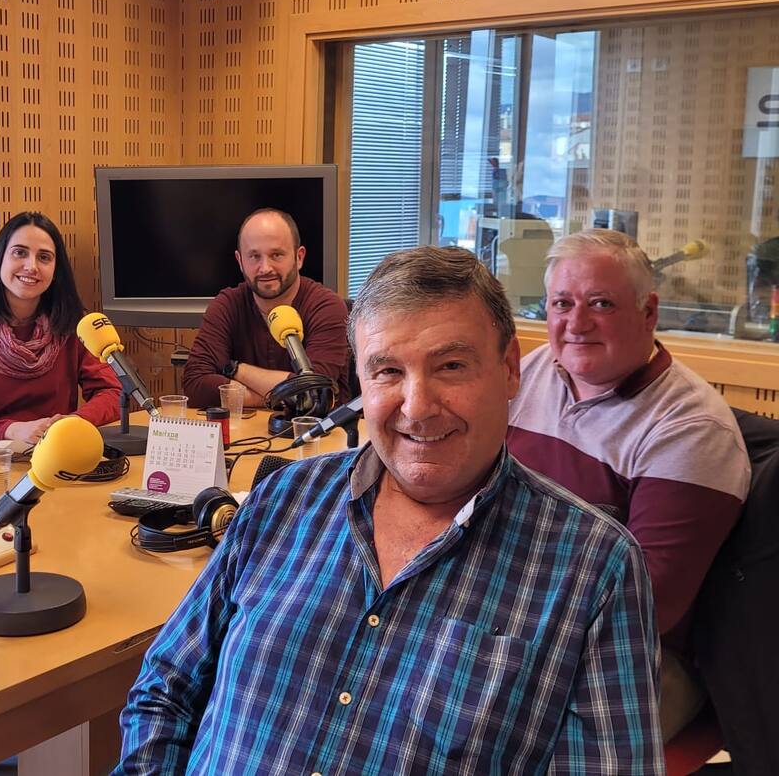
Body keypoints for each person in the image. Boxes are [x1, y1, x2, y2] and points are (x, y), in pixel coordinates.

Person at [118, 246, 662, 774]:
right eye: (387, 372)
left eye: (451, 365)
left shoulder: (595, 566)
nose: (417, 407)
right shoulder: (283, 498)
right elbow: (165, 688)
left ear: (510, 369)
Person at [507, 227, 750, 741]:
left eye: (602, 303)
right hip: (510, 617)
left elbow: (644, 606)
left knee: (491, 733)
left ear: (648, 312)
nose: (577, 324)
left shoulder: (691, 429)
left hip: (634, 658)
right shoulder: (533, 372)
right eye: (562, 303)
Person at [0, 211, 120, 452]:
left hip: (49, 456)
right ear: (0, 258)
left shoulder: (72, 321)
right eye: (19, 252)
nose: (31, 266)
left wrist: (73, 423)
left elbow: (113, 391)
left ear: (56, 270)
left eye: (44, 257)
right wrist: (14, 430)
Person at [182, 208, 349, 409]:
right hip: (245, 429)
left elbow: (314, 393)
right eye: (254, 256)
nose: (265, 268)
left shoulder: (327, 306)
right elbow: (195, 386)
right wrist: (280, 397)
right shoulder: (227, 305)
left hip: (318, 429)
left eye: (276, 255)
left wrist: (236, 370)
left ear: (299, 257)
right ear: (240, 261)